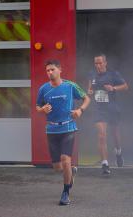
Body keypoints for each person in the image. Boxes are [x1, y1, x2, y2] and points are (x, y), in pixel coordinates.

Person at [36, 59, 90, 206]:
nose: (50, 73)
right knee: (58, 167)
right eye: (47, 70)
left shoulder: (70, 85)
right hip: (52, 129)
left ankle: (65, 193)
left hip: (68, 127)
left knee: (65, 159)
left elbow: (86, 98)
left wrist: (80, 110)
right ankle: (71, 171)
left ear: (60, 70)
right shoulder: (43, 89)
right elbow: (37, 107)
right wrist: (42, 110)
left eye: (52, 69)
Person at [87, 54, 128, 175]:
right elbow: (90, 89)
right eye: (96, 63)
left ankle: (118, 153)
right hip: (99, 109)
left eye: (100, 63)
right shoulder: (92, 74)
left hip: (112, 109)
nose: (98, 66)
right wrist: (89, 91)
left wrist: (113, 88)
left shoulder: (113, 74)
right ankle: (105, 163)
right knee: (102, 135)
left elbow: (125, 86)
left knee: (115, 134)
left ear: (105, 63)